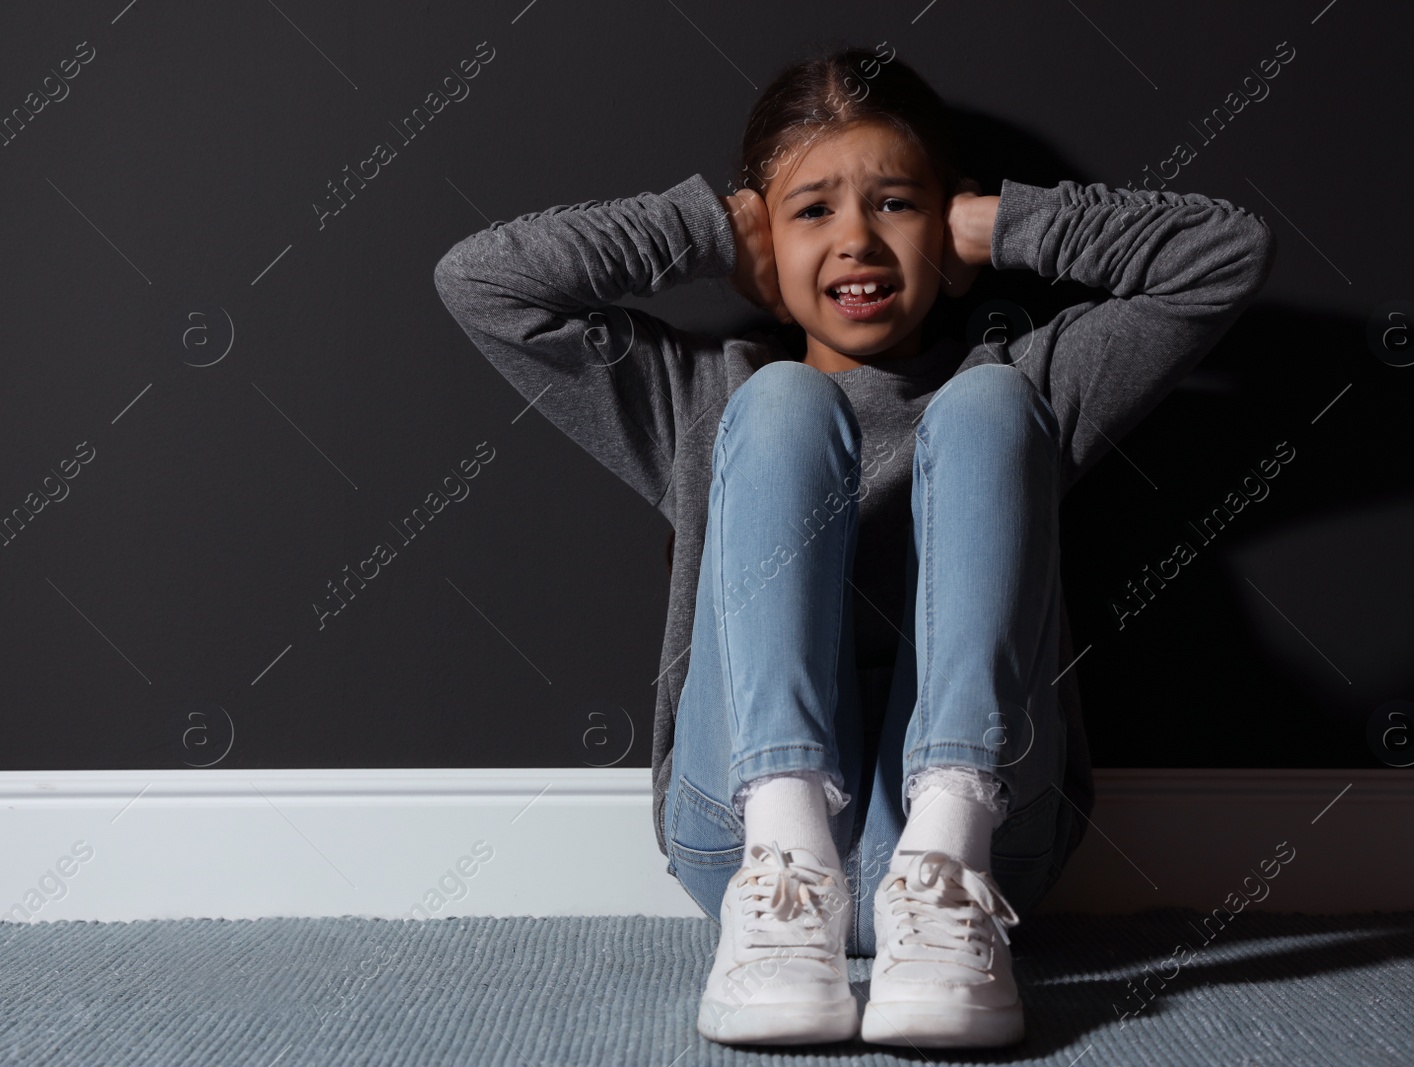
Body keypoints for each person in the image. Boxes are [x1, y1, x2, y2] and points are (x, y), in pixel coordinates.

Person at [433, 43, 1275, 1050]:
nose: (858, 244)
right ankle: (786, 870)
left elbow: (1222, 256)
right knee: (783, 399)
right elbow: (481, 281)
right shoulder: (699, 404)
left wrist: (1001, 220)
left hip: (989, 854)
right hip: (746, 853)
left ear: (948, 225)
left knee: (991, 401)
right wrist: (708, 227)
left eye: (895, 205)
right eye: (813, 211)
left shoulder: (1033, 386)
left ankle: (944, 860)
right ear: (763, 243)